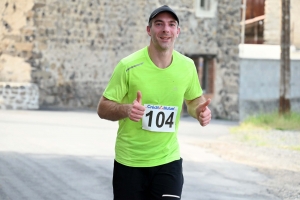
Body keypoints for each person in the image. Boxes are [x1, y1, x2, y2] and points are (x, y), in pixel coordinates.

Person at [97, 5, 211, 200]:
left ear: (178, 31)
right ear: (149, 30)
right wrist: (126, 109)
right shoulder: (128, 65)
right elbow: (103, 108)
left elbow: (193, 100)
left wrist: (199, 111)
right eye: (159, 24)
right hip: (130, 162)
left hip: (168, 160)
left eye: (171, 24)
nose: (165, 29)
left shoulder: (187, 66)